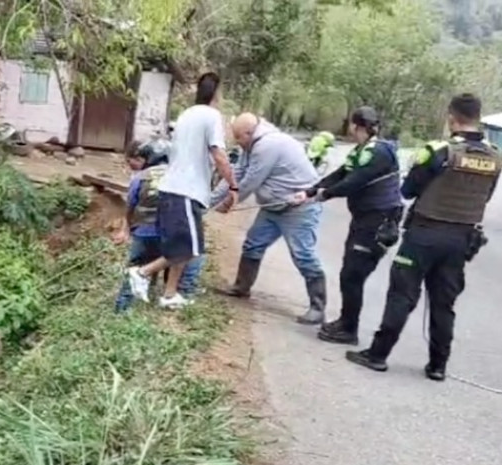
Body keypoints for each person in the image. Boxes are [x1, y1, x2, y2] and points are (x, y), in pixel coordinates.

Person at [346, 94, 500, 379]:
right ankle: (438, 365)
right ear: (478, 117)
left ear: (452, 118)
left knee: (402, 296)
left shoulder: (438, 150)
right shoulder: (494, 155)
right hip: (462, 238)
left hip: (425, 234)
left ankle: (378, 355)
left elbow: (407, 191)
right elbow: (486, 196)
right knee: (444, 303)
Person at [126, 72, 238, 309]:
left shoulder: (187, 114)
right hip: (185, 191)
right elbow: (218, 154)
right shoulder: (212, 116)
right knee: (189, 247)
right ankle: (143, 273)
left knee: (183, 245)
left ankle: (169, 294)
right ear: (216, 92)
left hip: (177, 189)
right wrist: (233, 185)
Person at [294, 106, 403, 345]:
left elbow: (354, 182)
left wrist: (325, 195)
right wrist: (311, 190)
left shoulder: (379, 152)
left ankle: (349, 329)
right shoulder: (363, 151)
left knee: (353, 274)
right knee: (350, 273)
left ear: (355, 126)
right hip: (365, 219)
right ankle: (346, 321)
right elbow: (342, 173)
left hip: (378, 221)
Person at [212, 113, 327, 324]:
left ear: (249, 132)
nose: (237, 142)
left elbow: (250, 182)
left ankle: (318, 306)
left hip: (298, 208)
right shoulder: (252, 144)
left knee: (303, 254)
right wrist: (210, 200)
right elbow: (237, 172)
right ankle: (241, 286)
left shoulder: (268, 145)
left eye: (238, 137)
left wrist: (227, 203)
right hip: (273, 206)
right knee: (253, 244)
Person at [114, 141, 207, 312]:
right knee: (180, 259)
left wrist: (127, 229)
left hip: (143, 234)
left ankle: (122, 309)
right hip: (169, 234)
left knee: (135, 267)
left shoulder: (141, 177)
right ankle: (169, 299)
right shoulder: (181, 176)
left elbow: (130, 206)